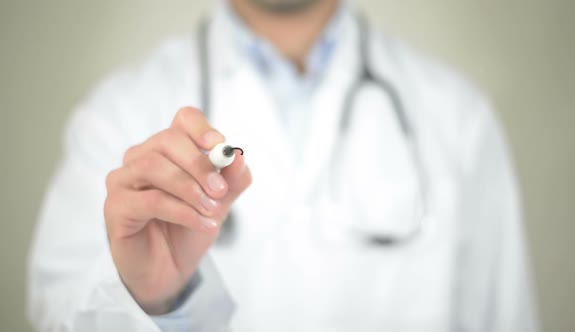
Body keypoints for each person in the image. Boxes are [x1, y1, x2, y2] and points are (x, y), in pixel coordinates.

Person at [27, 0, 539, 331]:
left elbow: (505, 318)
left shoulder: (458, 116)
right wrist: (153, 300)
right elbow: (54, 314)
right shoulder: (119, 111)